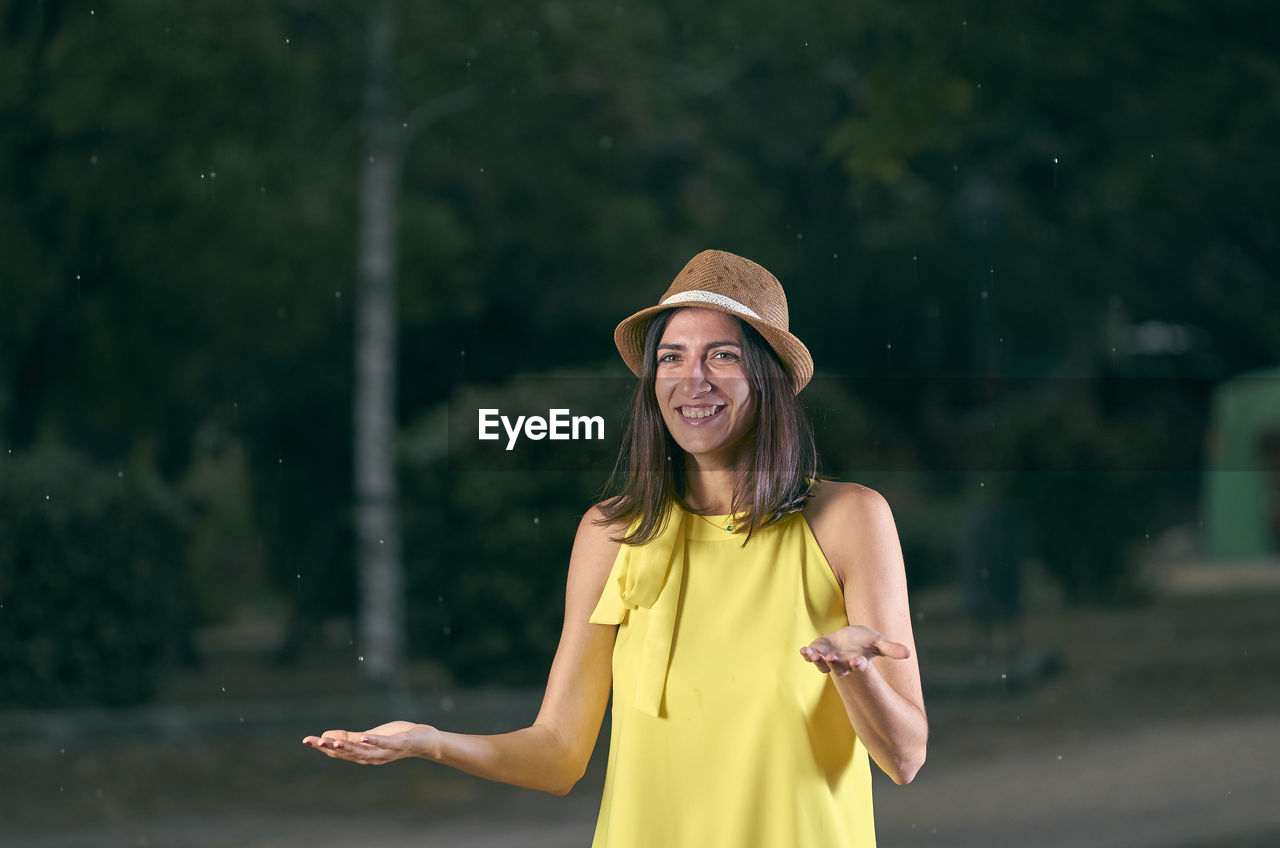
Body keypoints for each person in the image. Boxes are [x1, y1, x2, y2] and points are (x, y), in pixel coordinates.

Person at [304, 249, 927, 846]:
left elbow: (905, 758)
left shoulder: (849, 519)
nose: (694, 379)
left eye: (723, 356)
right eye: (673, 357)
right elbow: (557, 755)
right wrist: (429, 741)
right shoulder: (611, 532)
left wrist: (855, 672)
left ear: (768, 377)